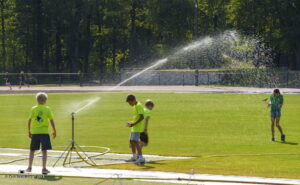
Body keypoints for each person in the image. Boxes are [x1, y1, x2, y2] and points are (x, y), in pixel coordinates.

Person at [25, 92, 56, 174]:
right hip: (44, 132)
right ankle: (44, 168)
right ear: (45, 100)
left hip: (35, 132)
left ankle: (29, 167)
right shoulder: (47, 109)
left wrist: (29, 131)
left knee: (32, 150)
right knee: (44, 150)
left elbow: (29, 121)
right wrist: (54, 130)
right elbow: (51, 120)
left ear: (37, 99)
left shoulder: (33, 108)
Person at [125, 94, 145, 164]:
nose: (129, 104)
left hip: (137, 128)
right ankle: (134, 156)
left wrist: (134, 124)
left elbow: (142, 117)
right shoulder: (135, 106)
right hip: (134, 127)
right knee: (131, 141)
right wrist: (131, 122)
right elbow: (136, 117)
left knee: (136, 142)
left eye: (129, 102)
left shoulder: (139, 106)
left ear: (133, 100)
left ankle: (141, 157)